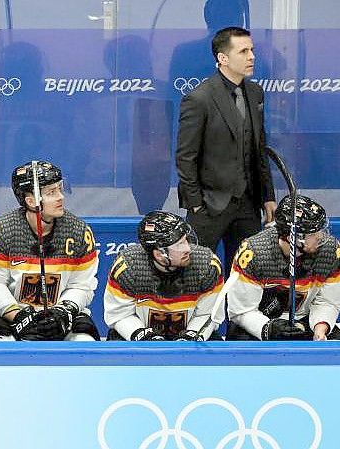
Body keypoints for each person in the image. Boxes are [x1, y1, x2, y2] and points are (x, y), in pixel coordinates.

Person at [176, 26, 276, 271]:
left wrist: (268, 196)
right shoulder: (199, 98)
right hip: (209, 206)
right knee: (198, 273)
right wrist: (196, 205)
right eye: (243, 51)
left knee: (244, 276)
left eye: (252, 50)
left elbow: (259, 148)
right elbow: (185, 156)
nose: (252, 56)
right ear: (223, 58)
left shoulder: (255, 93)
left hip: (248, 205)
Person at [0, 160, 100, 341]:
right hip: (12, 316)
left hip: (62, 314)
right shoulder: (2, 230)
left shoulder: (79, 231)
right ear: (30, 201)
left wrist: (62, 313)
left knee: (84, 340)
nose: (61, 197)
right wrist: (18, 316)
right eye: (51, 192)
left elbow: (82, 286)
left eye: (60, 189)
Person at [225, 195, 340, 341]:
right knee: (240, 342)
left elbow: (327, 301)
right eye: (314, 233)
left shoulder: (330, 250)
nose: (320, 237)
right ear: (294, 238)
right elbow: (240, 311)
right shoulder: (253, 252)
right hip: (259, 322)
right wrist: (268, 328)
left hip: (306, 320)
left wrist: (321, 326)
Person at [103, 211, 224, 341]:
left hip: (192, 332)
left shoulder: (207, 266)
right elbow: (119, 315)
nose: (188, 248)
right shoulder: (128, 268)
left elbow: (208, 314)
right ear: (159, 254)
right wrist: (143, 335)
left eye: (186, 240)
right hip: (141, 333)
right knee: (116, 340)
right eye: (180, 244)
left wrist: (191, 335)